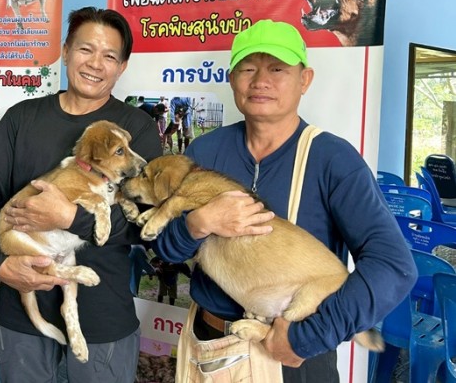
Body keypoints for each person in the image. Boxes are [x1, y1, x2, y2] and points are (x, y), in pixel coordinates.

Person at [153, 19, 417, 382]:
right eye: (248, 68)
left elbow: (394, 266)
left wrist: (306, 338)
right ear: (231, 79)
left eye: (277, 69)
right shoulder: (205, 151)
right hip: (207, 343)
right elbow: (166, 249)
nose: (260, 81)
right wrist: (197, 224)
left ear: (304, 80)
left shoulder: (333, 159)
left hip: (293, 358)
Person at [0, 7, 164, 383]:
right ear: (66, 51)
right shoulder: (22, 118)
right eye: (86, 49)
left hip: (102, 321)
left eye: (109, 56)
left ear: (122, 67)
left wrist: (70, 218)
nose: (95, 64)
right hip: (22, 317)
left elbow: (148, 223)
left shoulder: (136, 129)